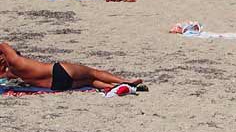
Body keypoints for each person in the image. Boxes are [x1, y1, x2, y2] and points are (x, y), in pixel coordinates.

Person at [0, 43, 144, 91]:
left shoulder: (12, 72)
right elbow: (3, 44)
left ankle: (114, 88)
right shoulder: (16, 61)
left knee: (90, 81)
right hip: (60, 70)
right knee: (94, 72)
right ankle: (125, 81)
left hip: (56, 86)